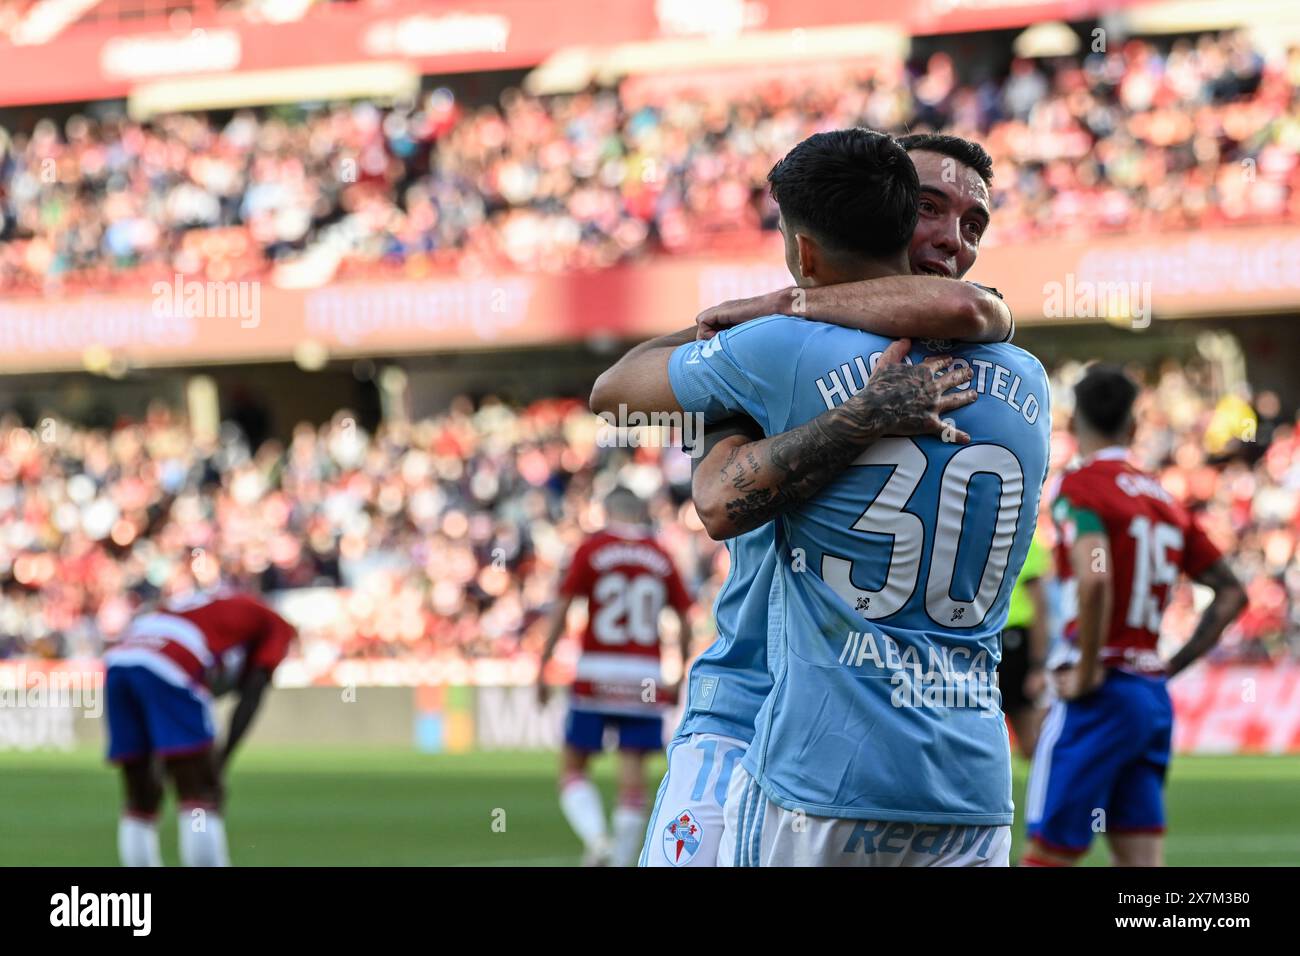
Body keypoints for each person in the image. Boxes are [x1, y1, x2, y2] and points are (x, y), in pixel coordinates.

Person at [591, 133, 1017, 866]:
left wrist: (787, 305)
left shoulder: (947, 333)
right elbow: (710, 488)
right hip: (756, 707)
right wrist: (779, 316)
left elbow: (971, 308)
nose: (952, 239)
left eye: (973, 226)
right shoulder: (779, 345)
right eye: (928, 209)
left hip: (837, 737)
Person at [1022, 365, 1246, 867]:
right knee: (1142, 862)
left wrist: (1085, 670)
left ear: (1075, 421)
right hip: (1148, 693)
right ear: (1134, 426)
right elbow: (1230, 594)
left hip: (1099, 691)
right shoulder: (1165, 499)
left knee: (1048, 852)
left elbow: (1095, 571)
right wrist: (1169, 666)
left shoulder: (1081, 486)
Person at [537, 487, 694, 866]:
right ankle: (623, 860)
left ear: (606, 511)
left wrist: (543, 662)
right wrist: (678, 673)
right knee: (633, 770)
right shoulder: (661, 554)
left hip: (596, 670)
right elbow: (686, 618)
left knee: (573, 766)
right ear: (639, 513)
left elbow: (563, 607)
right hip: (644, 676)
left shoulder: (592, 549)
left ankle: (598, 841)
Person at [105, 587, 295, 867]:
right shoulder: (275, 624)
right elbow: (252, 694)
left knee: (140, 796)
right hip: (170, 660)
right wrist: (221, 759)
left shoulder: (212, 607)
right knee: (200, 793)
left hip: (120, 659)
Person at [1000, 531, 1051, 756]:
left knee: (1029, 738)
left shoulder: (1023, 539)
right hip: (987, 638)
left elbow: (1040, 606)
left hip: (1014, 641)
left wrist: (1038, 665)